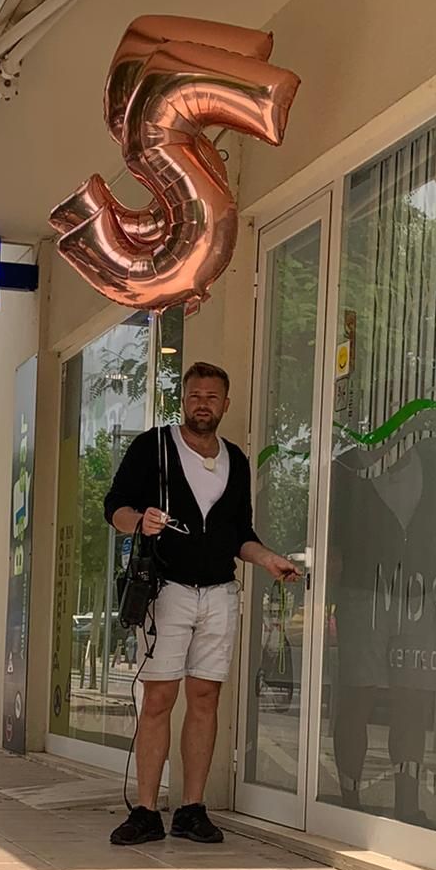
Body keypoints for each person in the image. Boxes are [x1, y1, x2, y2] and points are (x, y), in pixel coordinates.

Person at [104, 361, 298, 845]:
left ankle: (191, 807)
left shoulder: (236, 459)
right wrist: (139, 522)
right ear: (183, 400)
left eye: (212, 396)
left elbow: (240, 536)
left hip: (219, 593)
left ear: (225, 404)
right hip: (166, 590)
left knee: (206, 698)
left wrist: (268, 559)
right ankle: (147, 810)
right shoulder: (155, 448)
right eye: (194, 396)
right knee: (159, 698)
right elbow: (115, 508)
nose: (202, 404)